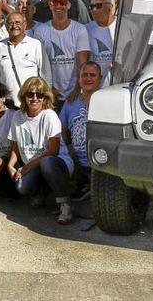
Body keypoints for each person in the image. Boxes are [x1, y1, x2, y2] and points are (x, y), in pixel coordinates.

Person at [7, 77, 74, 225]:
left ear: (45, 98)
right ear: (24, 96)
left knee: (47, 163)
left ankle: (66, 204)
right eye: (30, 94)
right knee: (21, 187)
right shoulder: (17, 116)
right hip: (32, 164)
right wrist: (10, 165)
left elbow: (53, 151)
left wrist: (25, 168)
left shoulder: (49, 116)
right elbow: (16, 145)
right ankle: (43, 192)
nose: (35, 98)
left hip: (56, 162)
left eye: (40, 95)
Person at [0, 12, 51, 105]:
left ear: (25, 25)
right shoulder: (0, 46)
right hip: (8, 105)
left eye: (18, 22)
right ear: (6, 27)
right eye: (11, 23)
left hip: (31, 104)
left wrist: (46, 100)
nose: (14, 26)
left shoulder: (35, 45)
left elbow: (46, 75)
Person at [33, 0, 90, 109]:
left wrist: (77, 89)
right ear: (50, 4)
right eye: (55, 2)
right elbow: (39, 64)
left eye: (63, 2)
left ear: (68, 5)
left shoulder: (79, 30)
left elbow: (83, 63)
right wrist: (49, 88)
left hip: (75, 93)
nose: (59, 5)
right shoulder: (41, 31)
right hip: (50, 93)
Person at [59, 62, 101, 200]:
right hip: (77, 160)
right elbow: (62, 130)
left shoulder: (106, 100)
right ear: (79, 79)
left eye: (92, 75)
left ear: (100, 78)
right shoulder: (70, 102)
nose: (88, 78)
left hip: (100, 160)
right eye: (84, 75)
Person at [85, 0, 116, 86]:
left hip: (119, 85)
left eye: (98, 6)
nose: (94, 10)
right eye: (91, 7)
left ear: (110, 7)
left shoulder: (125, 26)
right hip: (95, 88)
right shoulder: (85, 29)